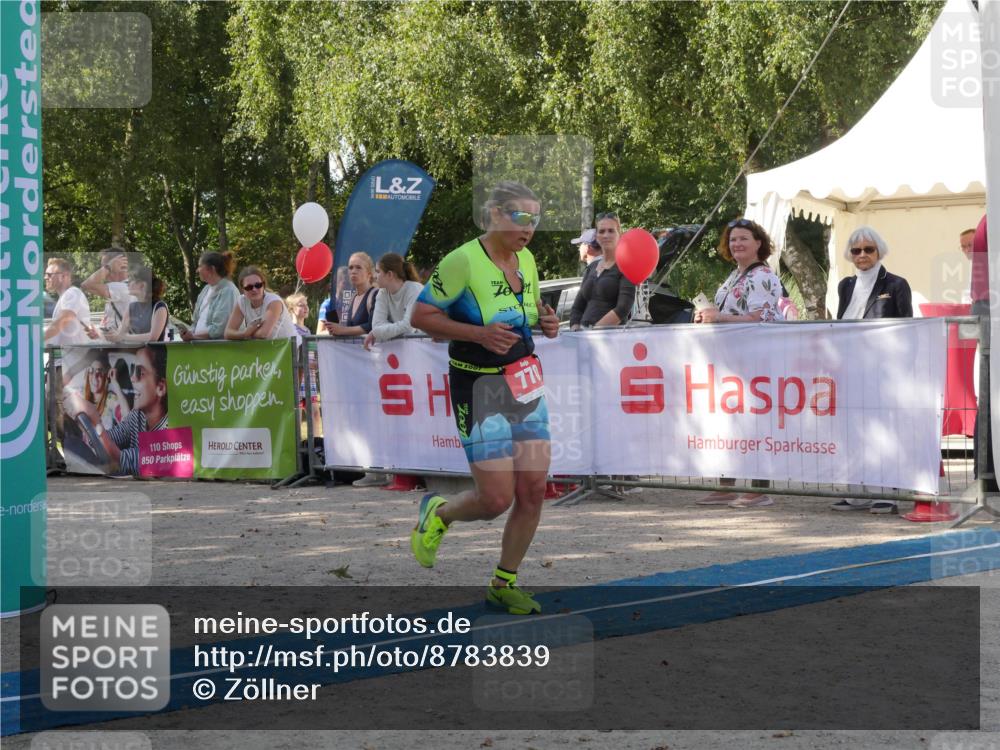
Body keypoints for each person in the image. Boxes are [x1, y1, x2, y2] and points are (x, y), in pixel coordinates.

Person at [409, 181, 560, 615]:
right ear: (495, 215)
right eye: (521, 218)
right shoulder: (462, 261)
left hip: (525, 384)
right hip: (479, 388)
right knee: (495, 499)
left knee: (532, 490)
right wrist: (477, 333)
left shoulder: (526, 260)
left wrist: (546, 323)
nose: (529, 229)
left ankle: (503, 582)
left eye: (535, 219)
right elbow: (420, 315)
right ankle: (439, 514)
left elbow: (527, 314)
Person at [694, 217, 784, 508]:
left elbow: (763, 318)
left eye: (743, 238)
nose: (737, 244)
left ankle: (759, 489)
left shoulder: (763, 277)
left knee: (756, 423)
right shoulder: (735, 275)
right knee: (728, 423)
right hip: (730, 360)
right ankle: (725, 484)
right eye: (733, 239)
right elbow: (728, 311)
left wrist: (719, 317)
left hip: (755, 361)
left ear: (759, 242)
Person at [830, 226, 913, 513]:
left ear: (879, 251)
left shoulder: (897, 284)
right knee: (853, 430)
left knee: (883, 430)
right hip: (851, 368)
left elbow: (907, 328)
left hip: (884, 369)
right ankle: (857, 491)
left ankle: (886, 491)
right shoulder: (845, 286)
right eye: (856, 250)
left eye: (868, 249)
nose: (862, 255)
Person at [63, 345, 168, 476]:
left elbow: (119, 460)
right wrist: (87, 423)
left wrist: (95, 420)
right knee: (71, 444)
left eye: (140, 373)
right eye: (132, 371)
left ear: (161, 388)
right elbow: (109, 439)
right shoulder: (138, 416)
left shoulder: (169, 430)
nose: (132, 378)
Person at [569, 212, 637, 330]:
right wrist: (575, 329)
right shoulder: (592, 266)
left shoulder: (626, 267)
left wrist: (593, 332)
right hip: (582, 338)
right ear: (596, 236)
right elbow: (577, 307)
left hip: (609, 340)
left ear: (619, 234)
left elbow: (623, 308)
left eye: (611, 231)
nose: (606, 235)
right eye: (601, 231)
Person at [363, 252, 424, 351]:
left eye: (378, 272)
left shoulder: (414, 289)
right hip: (403, 350)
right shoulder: (382, 292)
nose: (375, 276)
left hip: (423, 349)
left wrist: (378, 332)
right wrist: (377, 331)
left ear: (390, 274)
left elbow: (408, 327)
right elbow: (376, 326)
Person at [225, 266, 298, 340]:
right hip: (271, 348)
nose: (254, 289)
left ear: (263, 285)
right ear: (242, 289)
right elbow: (228, 333)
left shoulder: (274, 301)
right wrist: (244, 334)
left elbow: (263, 334)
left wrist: (247, 333)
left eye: (258, 285)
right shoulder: (241, 301)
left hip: (293, 348)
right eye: (249, 287)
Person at [181, 251, 239, 341]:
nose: (197, 270)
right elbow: (196, 323)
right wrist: (189, 333)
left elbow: (219, 330)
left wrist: (193, 336)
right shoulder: (206, 289)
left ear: (212, 269)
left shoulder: (228, 291)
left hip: (219, 350)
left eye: (200, 266)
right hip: (201, 348)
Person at [323, 253, 379, 337]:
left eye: (358, 267)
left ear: (369, 274)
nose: (353, 271)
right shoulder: (353, 298)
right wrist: (335, 330)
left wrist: (342, 330)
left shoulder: (376, 294)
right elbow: (350, 329)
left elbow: (373, 326)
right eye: (351, 268)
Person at [107, 269, 169, 343]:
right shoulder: (131, 307)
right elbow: (119, 335)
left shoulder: (159, 307)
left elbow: (153, 337)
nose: (127, 284)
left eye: (130, 281)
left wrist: (125, 337)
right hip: (134, 352)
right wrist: (101, 334)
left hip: (154, 353)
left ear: (142, 285)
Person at [44, 258, 96, 347]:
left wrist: (35, 339)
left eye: (49, 275)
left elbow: (61, 322)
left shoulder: (72, 293)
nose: (45, 277)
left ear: (64, 276)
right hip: (69, 358)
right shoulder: (66, 296)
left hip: (74, 358)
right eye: (45, 274)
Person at [81, 249, 133, 337]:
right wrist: (98, 333)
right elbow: (86, 287)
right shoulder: (117, 288)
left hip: (124, 348)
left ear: (117, 265)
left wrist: (108, 267)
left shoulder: (123, 288)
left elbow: (86, 285)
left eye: (104, 266)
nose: (102, 270)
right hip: (117, 346)